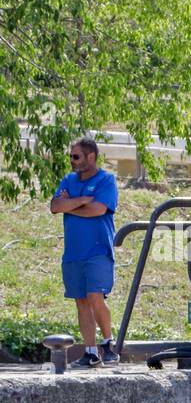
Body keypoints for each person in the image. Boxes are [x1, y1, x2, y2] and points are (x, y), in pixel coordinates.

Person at [50, 136, 119, 369]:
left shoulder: (106, 180)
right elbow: (55, 206)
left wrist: (70, 205)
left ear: (91, 157)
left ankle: (108, 344)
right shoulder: (68, 180)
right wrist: (82, 201)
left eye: (76, 156)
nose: (72, 160)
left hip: (98, 250)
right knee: (81, 301)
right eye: (70, 156)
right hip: (73, 253)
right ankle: (90, 352)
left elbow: (98, 209)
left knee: (95, 296)